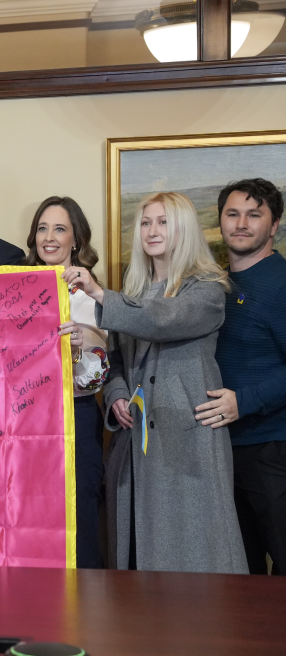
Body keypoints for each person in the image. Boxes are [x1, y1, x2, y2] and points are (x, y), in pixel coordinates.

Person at [67, 191, 247, 574]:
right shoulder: (134, 291)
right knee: (137, 559)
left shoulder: (207, 289)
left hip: (188, 442)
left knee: (197, 558)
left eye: (163, 222)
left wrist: (98, 293)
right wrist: (116, 394)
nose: (152, 230)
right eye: (146, 222)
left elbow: (164, 319)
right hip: (134, 444)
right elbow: (115, 359)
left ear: (183, 228)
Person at [194, 178, 286, 575]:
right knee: (239, 574)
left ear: (275, 224)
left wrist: (243, 402)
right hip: (221, 450)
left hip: (272, 450)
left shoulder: (281, 283)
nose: (242, 223)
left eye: (254, 215)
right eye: (233, 214)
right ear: (220, 222)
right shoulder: (214, 285)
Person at [24, 196, 109, 568]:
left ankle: (87, 603)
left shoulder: (92, 294)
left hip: (76, 417)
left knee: (79, 521)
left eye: (59, 229)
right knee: (31, 521)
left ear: (76, 239)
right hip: (25, 422)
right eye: (42, 228)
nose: (49, 237)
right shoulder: (15, 288)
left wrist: (79, 349)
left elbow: (100, 375)